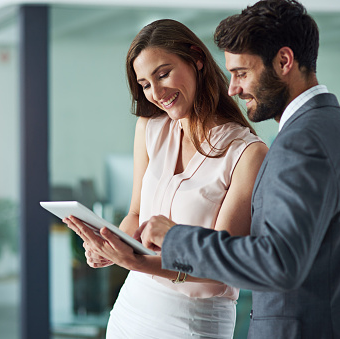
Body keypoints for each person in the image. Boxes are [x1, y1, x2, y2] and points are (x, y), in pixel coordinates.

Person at [138, 1, 340, 338]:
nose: (233, 88)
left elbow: (278, 262)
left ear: (284, 61)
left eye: (242, 72)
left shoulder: (302, 142)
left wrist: (174, 239)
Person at [63, 19, 268, 338]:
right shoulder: (150, 127)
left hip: (193, 322)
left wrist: (135, 261)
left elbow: (222, 270)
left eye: (163, 74)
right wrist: (110, 245)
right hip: (132, 310)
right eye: (145, 84)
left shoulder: (247, 153)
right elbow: (135, 215)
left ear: (197, 59)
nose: (156, 93)